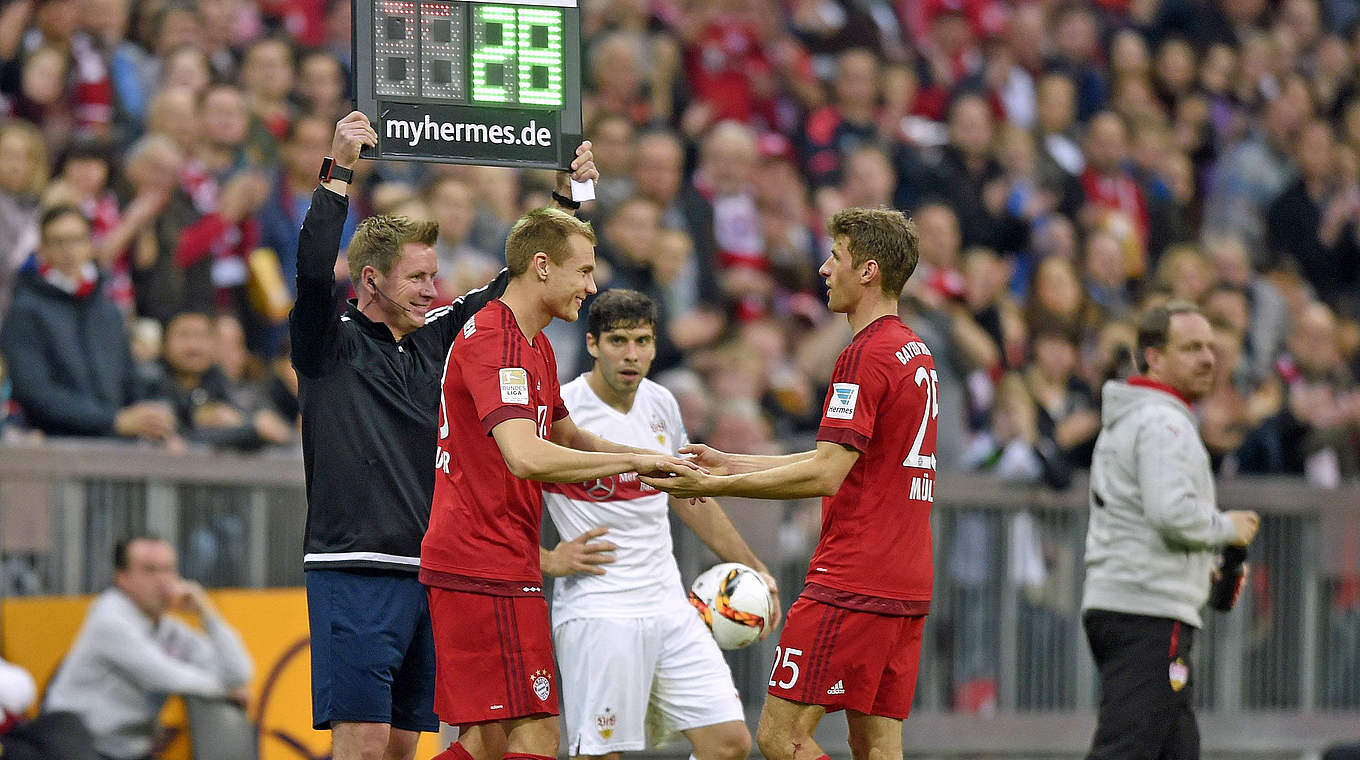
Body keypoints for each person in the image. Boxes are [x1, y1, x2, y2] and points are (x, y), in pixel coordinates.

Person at [293, 111, 607, 760]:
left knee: (408, 741)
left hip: (434, 574)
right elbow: (310, 268)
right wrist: (338, 169)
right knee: (363, 741)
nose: (432, 291)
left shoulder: (442, 339)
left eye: (434, 278)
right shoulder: (328, 344)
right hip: (355, 567)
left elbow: (515, 285)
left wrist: (569, 196)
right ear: (371, 280)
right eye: (417, 279)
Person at [641, 207, 938, 760]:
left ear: (868, 271)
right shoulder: (913, 351)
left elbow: (827, 474)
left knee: (781, 736)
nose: (825, 269)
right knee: (877, 744)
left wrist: (718, 488)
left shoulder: (864, 355)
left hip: (852, 577)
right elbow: (845, 459)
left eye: (837, 257)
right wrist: (729, 463)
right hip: (906, 578)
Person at [419, 209, 697, 760]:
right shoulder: (496, 340)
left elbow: (565, 433)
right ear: (541, 267)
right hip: (482, 562)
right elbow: (524, 456)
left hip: (492, 559)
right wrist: (629, 468)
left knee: (484, 741)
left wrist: (646, 459)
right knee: (537, 734)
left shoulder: (535, 343)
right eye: (584, 271)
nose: (593, 287)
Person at [543, 289, 782, 760]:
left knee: (729, 742)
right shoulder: (561, 412)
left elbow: (690, 500)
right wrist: (547, 558)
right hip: (598, 607)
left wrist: (754, 567)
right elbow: (497, 499)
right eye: (618, 341)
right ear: (591, 344)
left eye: (642, 341)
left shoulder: (661, 404)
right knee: (601, 755)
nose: (632, 355)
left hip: (669, 604)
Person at [1080, 301, 1262, 760]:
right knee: (1126, 749)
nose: (1208, 359)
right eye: (1191, 348)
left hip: (1135, 603)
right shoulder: (1163, 422)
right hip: (1147, 610)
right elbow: (1170, 512)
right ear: (1154, 357)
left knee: (1176, 750)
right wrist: (1227, 528)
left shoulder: (1139, 417)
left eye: (1210, 348)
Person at [43, 536, 253, 760]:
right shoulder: (109, 619)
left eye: (168, 569)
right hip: (68, 747)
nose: (163, 580)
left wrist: (207, 613)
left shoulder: (168, 629)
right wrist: (225, 691)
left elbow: (239, 674)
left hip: (125, 751)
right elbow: (166, 676)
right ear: (122, 577)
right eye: (150, 570)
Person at [0, 204, 176, 441]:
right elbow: (35, 392)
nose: (68, 250)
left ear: (91, 244)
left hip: (117, 444)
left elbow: (130, 378)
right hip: (57, 446)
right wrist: (112, 419)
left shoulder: (108, 310)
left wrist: (152, 417)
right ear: (42, 249)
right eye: (58, 241)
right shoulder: (25, 310)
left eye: (76, 239)